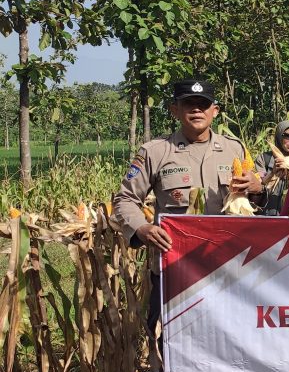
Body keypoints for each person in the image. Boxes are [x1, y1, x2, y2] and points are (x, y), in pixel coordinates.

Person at [112, 80, 263, 334]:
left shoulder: (234, 149)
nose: (196, 110)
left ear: (214, 111)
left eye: (203, 105)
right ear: (174, 110)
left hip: (225, 266)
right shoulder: (155, 152)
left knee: (228, 337)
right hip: (175, 267)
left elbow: (250, 203)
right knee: (169, 341)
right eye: (188, 104)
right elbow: (125, 199)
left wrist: (257, 188)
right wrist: (141, 228)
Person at [253, 120, 289, 216]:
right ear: (279, 136)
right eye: (287, 136)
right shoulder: (264, 159)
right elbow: (255, 189)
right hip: (265, 217)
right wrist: (272, 174)